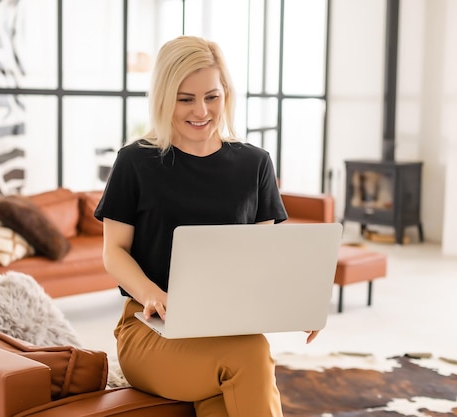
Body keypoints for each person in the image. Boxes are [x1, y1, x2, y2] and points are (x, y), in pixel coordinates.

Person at [94, 35, 319, 417]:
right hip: (147, 329)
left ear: (226, 94)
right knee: (251, 354)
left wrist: (298, 305)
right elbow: (113, 252)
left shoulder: (255, 165)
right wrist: (150, 293)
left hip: (225, 329)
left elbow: (263, 258)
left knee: (225, 400)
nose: (201, 110)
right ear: (165, 98)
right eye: (186, 99)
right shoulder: (135, 162)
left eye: (211, 96)